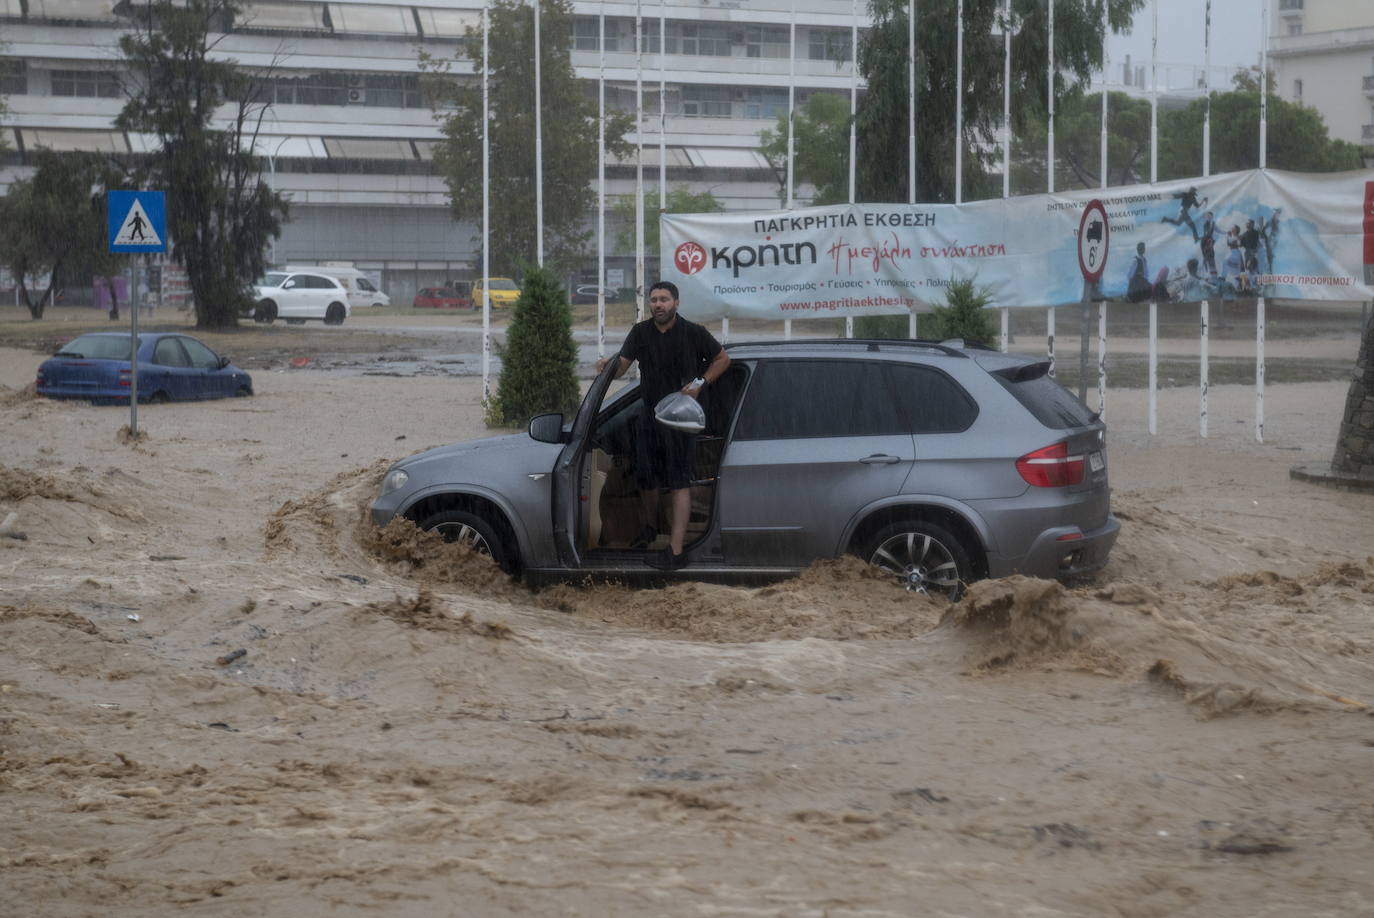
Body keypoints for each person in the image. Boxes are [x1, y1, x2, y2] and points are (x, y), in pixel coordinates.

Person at [595, 281, 731, 571]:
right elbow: (622, 365)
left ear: (676, 303)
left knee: (679, 481)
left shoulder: (693, 332)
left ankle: (675, 550)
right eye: (654, 299)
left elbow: (722, 359)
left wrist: (700, 383)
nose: (658, 304)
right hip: (649, 416)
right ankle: (649, 529)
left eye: (664, 299)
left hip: (680, 418)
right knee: (646, 477)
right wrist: (608, 366)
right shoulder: (640, 333)